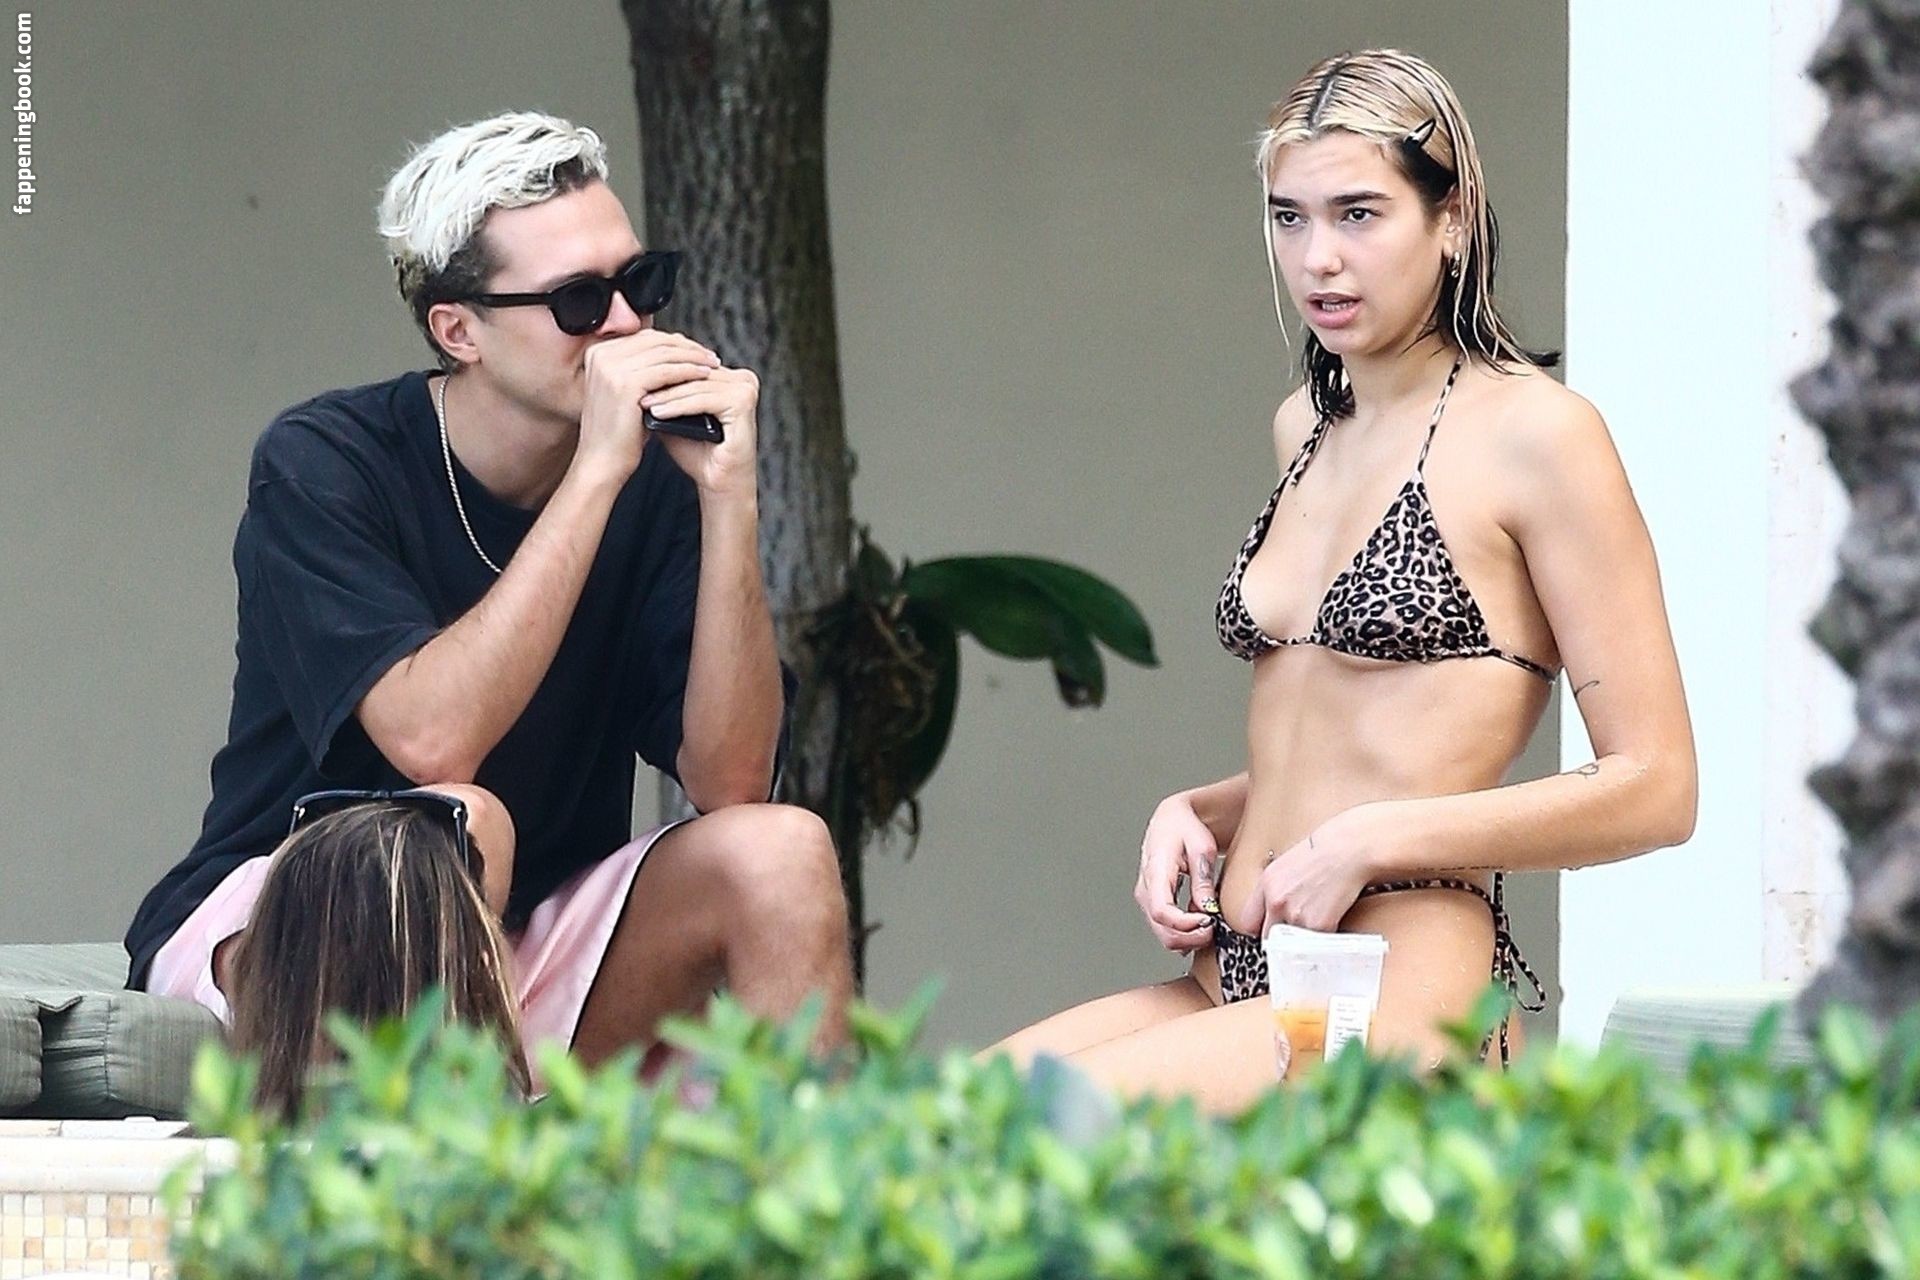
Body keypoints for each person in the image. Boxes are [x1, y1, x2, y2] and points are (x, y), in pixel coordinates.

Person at [991, 50, 1696, 1112]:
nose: (1319, 257)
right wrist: (1200, 809)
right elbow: (1354, 727)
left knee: (1048, 1127)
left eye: (1359, 214)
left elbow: (1657, 784)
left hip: (1398, 982)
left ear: (1451, 218)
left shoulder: (1538, 435)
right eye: (1290, 217)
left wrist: (1373, 840)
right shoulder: (1307, 428)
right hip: (1232, 971)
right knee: (946, 1123)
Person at [123, 111, 854, 1088]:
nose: (626, 323)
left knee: (781, 851)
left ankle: (804, 1182)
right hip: (297, 927)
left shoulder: (660, 482)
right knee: (455, 825)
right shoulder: (324, 462)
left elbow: (731, 781)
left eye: (640, 283)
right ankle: (426, 1169)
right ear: (457, 330)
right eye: (578, 300)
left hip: (525, 942)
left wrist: (729, 500)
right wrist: (596, 473)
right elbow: (432, 742)